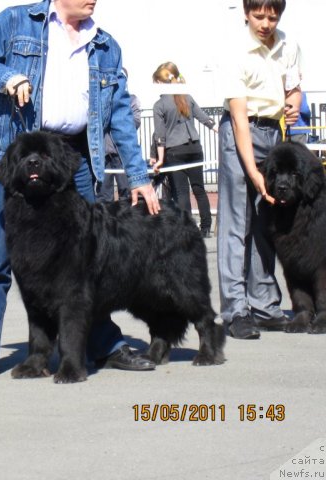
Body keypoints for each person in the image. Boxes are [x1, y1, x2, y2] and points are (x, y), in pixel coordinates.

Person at [0, 0, 160, 381]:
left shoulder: (105, 45)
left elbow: (119, 114)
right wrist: (7, 77)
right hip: (18, 154)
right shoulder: (17, 21)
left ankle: (105, 346)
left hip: (74, 160)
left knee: (88, 263)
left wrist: (138, 175)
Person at [217, 0, 301, 339]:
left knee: (267, 221)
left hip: (273, 131)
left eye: (272, 16)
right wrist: (253, 171)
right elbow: (238, 117)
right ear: (246, 13)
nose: (265, 23)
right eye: (258, 16)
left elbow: (293, 87)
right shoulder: (235, 49)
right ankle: (235, 310)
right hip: (241, 129)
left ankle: (265, 304)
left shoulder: (288, 45)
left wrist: (293, 101)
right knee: (238, 223)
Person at [151, 62, 217, 238]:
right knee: (199, 189)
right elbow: (205, 119)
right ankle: (206, 227)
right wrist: (220, 130)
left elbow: (160, 135)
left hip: (175, 151)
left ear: (160, 82)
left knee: (181, 191)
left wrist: (159, 159)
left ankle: (187, 229)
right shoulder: (187, 97)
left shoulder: (159, 105)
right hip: (195, 148)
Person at [96, 68, 140, 202]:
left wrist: (119, 119)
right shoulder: (99, 100)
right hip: (103, 152)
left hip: (122, 152)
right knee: (103, 193)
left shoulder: (131, 99)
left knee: (126, 191)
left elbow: (136, 121)